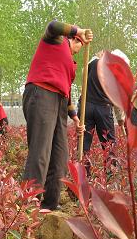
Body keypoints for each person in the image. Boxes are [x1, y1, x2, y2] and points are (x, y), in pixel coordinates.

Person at [22, 20, 92, 211]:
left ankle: (50, 203)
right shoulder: (55, 41)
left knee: (60, 155)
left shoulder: (70, 64)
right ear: (74, 39)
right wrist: (80, 29)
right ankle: (28, 206)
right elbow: (53, 25)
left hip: (60, 101)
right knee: (40, 152)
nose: (79, 49)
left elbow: (67, 93)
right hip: (41, 93)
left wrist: (75, 117)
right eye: (80, 44)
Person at [80, 49, 129, 175]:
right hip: (104, 108)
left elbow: (83, 75)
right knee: (108, 143)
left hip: (86, 106)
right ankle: (110, 174)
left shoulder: (93, 62)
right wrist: (120, 118)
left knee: (84, 142)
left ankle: (84, 174)